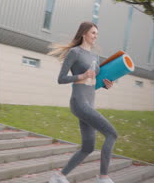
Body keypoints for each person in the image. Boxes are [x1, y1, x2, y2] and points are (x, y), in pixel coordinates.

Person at [48, 22, 118, 183]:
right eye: (93, 33)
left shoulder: (95, 57)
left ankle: (59, 177)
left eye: (97, 34)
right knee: (111, 133)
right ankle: (103, 177)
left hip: (89, 100)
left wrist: (105, 85)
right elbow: (61, 79)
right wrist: (81, 75)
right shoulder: (75, 52)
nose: (95, 36)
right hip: (79, 101)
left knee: (88, 147)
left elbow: (94, 81)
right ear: (84, 33)